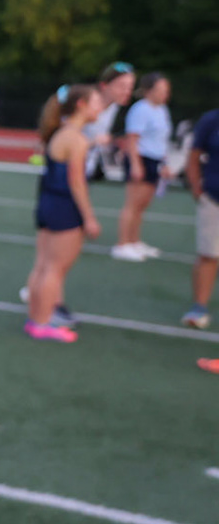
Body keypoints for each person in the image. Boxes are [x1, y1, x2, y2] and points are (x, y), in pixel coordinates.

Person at [25, 83, 105, 342]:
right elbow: (76, 182)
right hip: (64, 208)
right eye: (96, 102)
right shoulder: (76, 139)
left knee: (43, 266)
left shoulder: (62, 133)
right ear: (81, 105)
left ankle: (36, 319)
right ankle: (43, 322)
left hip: (48, 204)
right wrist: (89, 217)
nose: (100, 108)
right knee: (55, 270)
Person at [112, 72, 171, 262]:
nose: (165, 94)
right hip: (141, 158)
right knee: (133, 204)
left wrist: (165, 163)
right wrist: (136, 165)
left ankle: (134, 241)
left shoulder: (162, 110)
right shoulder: (140, 109)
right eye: (161, 90)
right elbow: (132, 139)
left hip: (154, 160)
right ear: (148, 90)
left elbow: (161, 139)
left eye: (166, 90)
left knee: (143, 204)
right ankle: (122, 244)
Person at [185, 101, 218, 329]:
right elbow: (194, 156)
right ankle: (199, 306)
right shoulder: (211, 120)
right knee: (208, 254)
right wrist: (197, 188)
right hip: (213, 197)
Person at [84, 61, 135, 181]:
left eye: (130, 87)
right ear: (104, 85)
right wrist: (94, 142)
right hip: (68, 169)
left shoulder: (114, 107)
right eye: (121, 86)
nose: (127, 91)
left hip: (87, 169)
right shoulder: (85, 104)